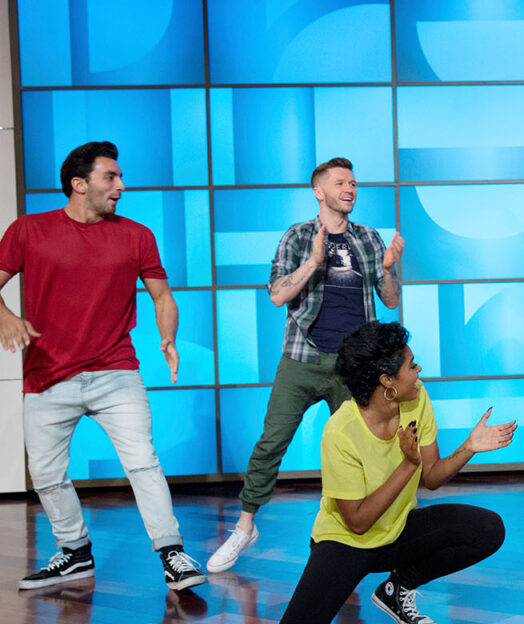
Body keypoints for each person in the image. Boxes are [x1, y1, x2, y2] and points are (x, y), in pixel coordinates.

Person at [0, 141, 206, 590]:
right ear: (79, 184)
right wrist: (7, 316)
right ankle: (74, 552)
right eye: (110, 177)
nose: (121, 185)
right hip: (47, 374)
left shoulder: (136, 234)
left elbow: (162, 295)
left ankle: (172, 553)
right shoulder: (28, 231)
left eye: (120, 176)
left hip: (116, 371)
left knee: (142, 462)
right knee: (48, 474)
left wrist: (167, 338)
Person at [207, 157, 405, 573]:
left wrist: (387, 270)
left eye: (353, 182)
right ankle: (245, 526)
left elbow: (390, 299)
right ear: (319, 191)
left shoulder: (368, 238)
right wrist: (314, 261)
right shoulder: (297, 237)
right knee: (272, 441)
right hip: (302, 358)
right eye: (340, 183)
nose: (350, 188)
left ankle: (357, 538)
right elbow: (278, 295)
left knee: (362, 452)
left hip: (354, 367)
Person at [279, 321, 512, 624]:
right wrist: (407, 465)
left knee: (487, 529)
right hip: (346, 543)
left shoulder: (416, 398)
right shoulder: (340, 431)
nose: (419, 371)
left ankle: (397, 589)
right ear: (387, 380)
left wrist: (468, 447)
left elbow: (431, 477)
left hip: (399, 532)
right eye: (412, 366)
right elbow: (359, 522)